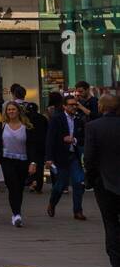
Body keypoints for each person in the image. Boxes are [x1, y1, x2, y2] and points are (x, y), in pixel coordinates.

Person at [82, 93, 120, 267]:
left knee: (111, 224)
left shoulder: (93, 127)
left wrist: (89, 178)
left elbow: (88, 157)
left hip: (105, 184)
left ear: (102, 107)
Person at [0, 99, 37, 228]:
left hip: (22, 160)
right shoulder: (1, 126)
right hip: (7, 160)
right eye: (9, 109)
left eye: (13, 109)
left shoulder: (27, 127)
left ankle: (17, 211)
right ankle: (16, 214)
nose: (11, 111)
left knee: (19, 188)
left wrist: (33, 162)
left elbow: (32, 146)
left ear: (18, 111)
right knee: (12, 186)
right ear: (6, 112)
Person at [46, 91, 88, 221]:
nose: (74, 107)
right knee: (61, 184)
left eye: (75, 105)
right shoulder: (57, 119)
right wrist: (48, 158)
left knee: (78, 182)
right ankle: (52, 203)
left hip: (73, 156)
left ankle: (78, 210)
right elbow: (50, 139)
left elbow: (82, 138)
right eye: (70, 105)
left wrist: (73, 140)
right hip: (60, 156)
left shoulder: (79, 120)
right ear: (64, 106)